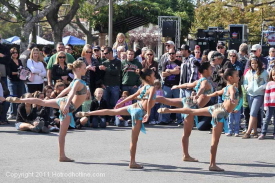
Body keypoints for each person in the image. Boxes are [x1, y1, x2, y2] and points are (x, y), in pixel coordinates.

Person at [158, 68, 242, 171]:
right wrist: (232, 99)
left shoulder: (226, 87)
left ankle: (169, 110)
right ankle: (212, 164)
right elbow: (232, 94)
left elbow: (216, 93)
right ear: (230, 78)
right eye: (237, 75)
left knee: (193, 111)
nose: (239, 77)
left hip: (216, 107)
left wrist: (208, 95)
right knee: (215, 141)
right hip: (220, 112)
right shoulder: (232, 88)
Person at [7, 60, 88, 162]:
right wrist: (66, 106)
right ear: (78, 69)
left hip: (63, 102)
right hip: (68, 106)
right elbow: (71, 93)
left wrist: (57, 99)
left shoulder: (75, 81)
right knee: (62, 134)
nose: (86, 69)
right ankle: (62, 156)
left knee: (43, 102)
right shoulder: (77, 82)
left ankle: (21, 100)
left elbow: (65, 91)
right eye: (84, 67)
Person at [75, 69, 156, 169]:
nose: (155, 77)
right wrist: (148, 113)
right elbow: (148, 101)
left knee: (110, 111)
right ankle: (132, 162)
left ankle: (88, 113)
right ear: (148, 78)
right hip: (139, 112)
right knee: (134, 140)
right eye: (154, 75)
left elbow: (131, 97)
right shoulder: (152, 88)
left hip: (134, 106)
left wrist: (120, 103)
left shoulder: (143, 87)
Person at [156, 61, 214, 161]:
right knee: (186, 133)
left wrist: (178, 86)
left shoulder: (199, 80)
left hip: (187, 100)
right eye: (210, 68)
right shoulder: (205, 81)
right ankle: (185, 155)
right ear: (205, 71)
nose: (212, 70)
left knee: (165, 99)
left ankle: (144, 97)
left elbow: (188, 84)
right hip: (191, 106)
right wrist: (197, 94)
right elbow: (202, 88)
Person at [243, 56, 268, 139]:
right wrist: (246, 87)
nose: (254, 65)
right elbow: (245, 82)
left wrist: (261, 88)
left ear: (258, 63)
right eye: (252, 63)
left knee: (253, 113)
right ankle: (255, 131)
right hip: (250, 94)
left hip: (259, 94)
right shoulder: (248, 72)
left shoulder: (264, 72)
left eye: (255, 63)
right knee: (253, 113)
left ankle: (248, 132)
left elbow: (267, 83)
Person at [7, 47, 25, 120]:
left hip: (20, 80)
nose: (15, 54)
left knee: (20, 97)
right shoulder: (9, 61)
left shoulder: (19, 61)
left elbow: (22, 69)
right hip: (12, 81)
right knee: (13, 97)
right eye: (13, 53)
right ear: (11, 54)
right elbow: (9, 73)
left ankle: (19, 113)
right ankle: (12, 113)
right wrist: (17, 73)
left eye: (16, 52)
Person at [259, 69, 275, 140]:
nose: (274, 76)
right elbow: (267, 95)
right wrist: (266, 105)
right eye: (273, 75)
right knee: (267, 119)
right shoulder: (269, 84)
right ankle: (263, 132)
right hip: (270, 105)